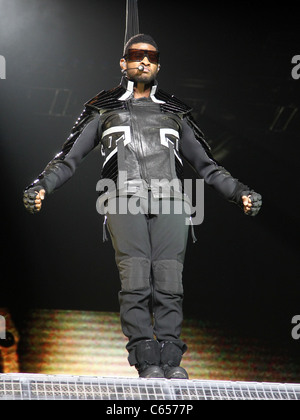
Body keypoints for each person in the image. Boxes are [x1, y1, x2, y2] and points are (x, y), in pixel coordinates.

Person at [23, 34, 262, 379]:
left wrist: (240, 191)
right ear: (123, 63)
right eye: (136, 55)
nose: (144, 61)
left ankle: (170, 357)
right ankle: (145, 356)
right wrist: (43, 185)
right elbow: (68, 158)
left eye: (151, 56)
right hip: (122, 197)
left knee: (169, 279)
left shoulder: (175, 112)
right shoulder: (103, 107)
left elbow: (207, 164)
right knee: (135, 278)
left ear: (159, 65)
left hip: (172, 201)